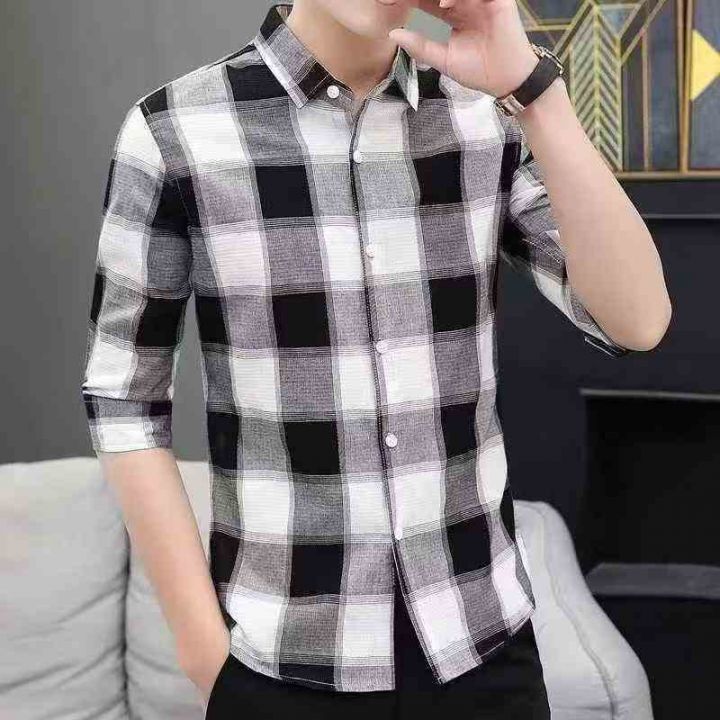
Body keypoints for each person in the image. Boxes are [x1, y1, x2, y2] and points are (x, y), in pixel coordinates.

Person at [80, 1, 671, 718]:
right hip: (280, 666)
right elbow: (124, 398)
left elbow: (636, 321)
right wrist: (202, 650)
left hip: (484, 654)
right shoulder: (173, 131)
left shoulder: (486, 117)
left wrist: (534, 92)